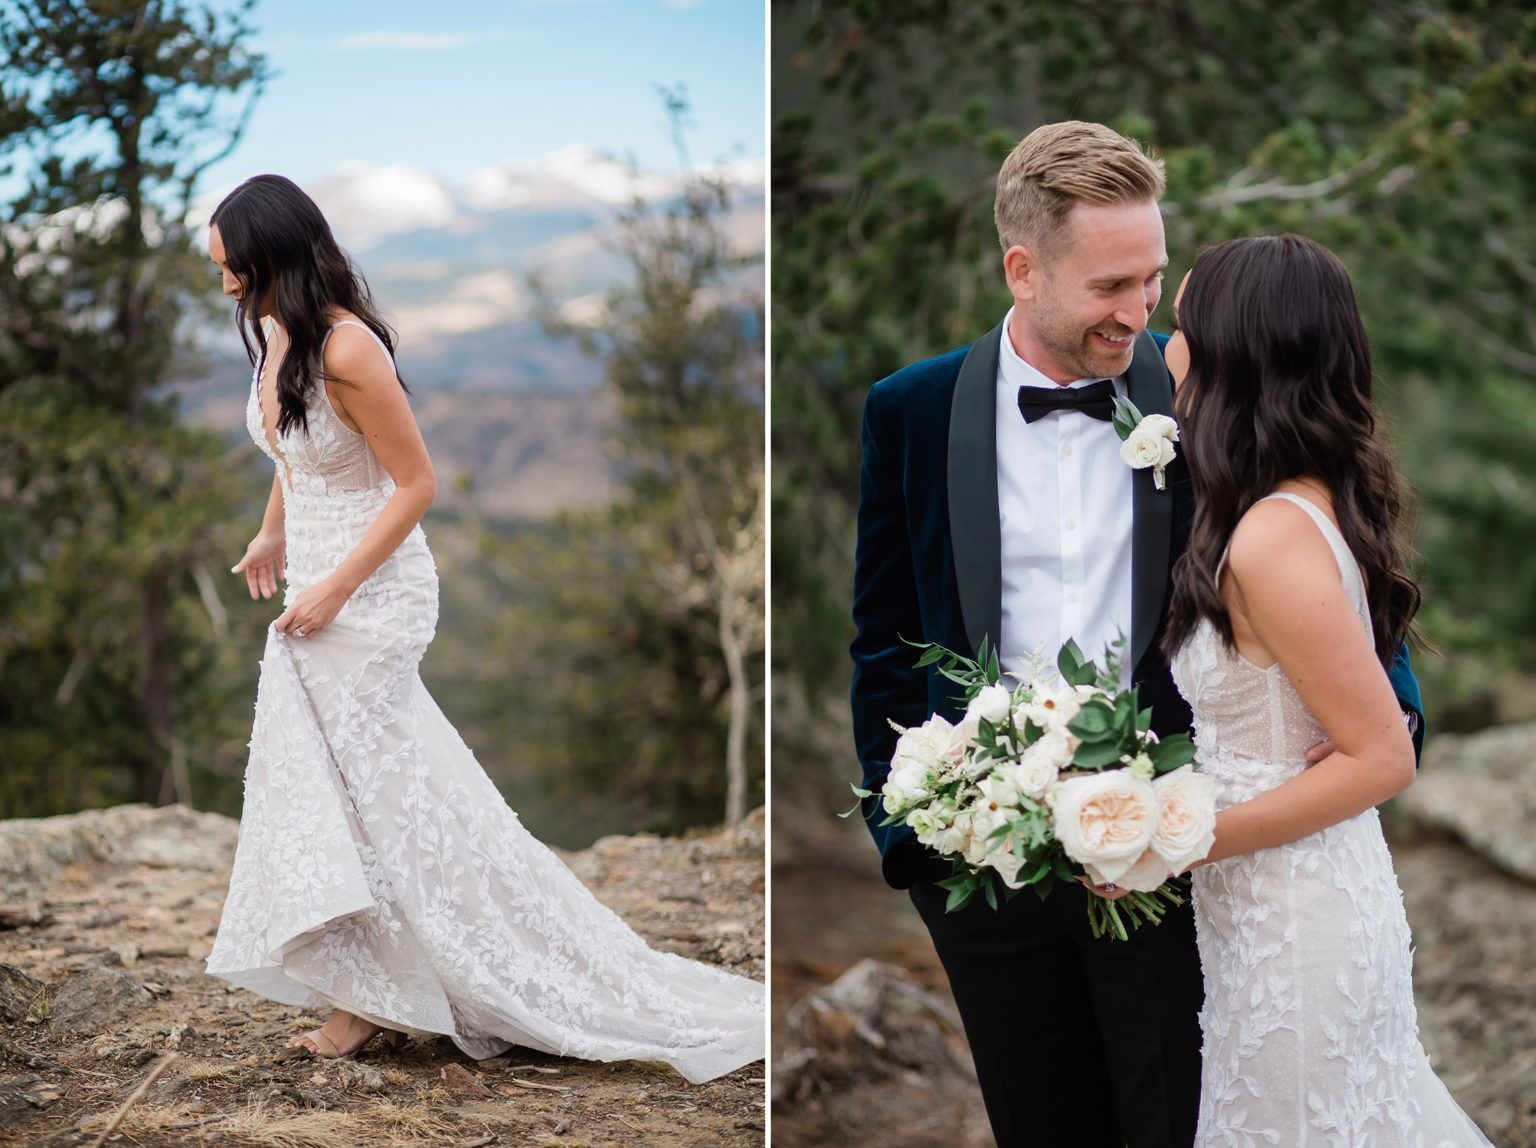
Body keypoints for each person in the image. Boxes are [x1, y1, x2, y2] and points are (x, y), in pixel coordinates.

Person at [848, 123, 1423, 1148]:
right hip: (988, 872)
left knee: (1181, 1123)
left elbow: (1327, 557)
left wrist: (1392, 718)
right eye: (1113, 285)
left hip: (1178, 859)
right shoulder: (912, 410)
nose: (1142, 310)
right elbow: (883, 640)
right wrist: (913, 847)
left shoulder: (1209, 390)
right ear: (1023, 269)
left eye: (1155, 277)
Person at [201, 174, 764, 1084]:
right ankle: (372, 986)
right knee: (348, 785)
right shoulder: (276, 334)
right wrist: (273, 528)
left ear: (275, 256)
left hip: (374, 594)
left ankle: (378, 1000)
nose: (226, 286)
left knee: (376, 789)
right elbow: (295, 444)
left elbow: (416, 486)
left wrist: (338, 589)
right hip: (318, 576)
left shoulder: (349, 348)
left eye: (234, 268)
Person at [1141, 234, 1491, 1145]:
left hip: (1296, 929)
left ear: (1231, 352)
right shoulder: (1293, 503)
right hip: (1267, 919)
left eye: (1178, 328)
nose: (1163, 349)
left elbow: (1381, 756)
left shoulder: (1270, 536)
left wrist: (1173, 843)